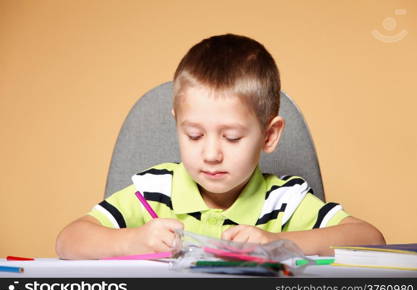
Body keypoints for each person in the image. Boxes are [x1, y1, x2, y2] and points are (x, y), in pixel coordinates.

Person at [56, 33, 385, 259]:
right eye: (194, 135)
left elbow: (371, 239)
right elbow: (68, 241)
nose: (211, 154)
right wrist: (133, 240)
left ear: (269, 136)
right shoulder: (154, 190)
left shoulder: (284, 202)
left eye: (232, 138)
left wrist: (278, 243)